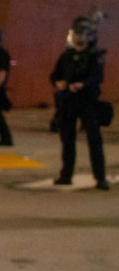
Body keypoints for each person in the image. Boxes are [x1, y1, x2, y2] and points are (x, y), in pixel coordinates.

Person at [49, 17, 109, 190]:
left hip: (87, 102)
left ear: (90, 36)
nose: (79, 37)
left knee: (94, 141)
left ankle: (100, 178)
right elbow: (54, 75)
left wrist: (82, 84)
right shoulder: (66, 55)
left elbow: (97, 77)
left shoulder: (94, 56)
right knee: (68, 140)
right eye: (76, 33)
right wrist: (57, 83)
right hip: (67, 102)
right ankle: (65, 176)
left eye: (82, 33)